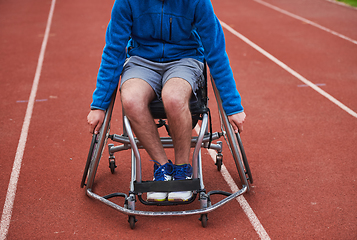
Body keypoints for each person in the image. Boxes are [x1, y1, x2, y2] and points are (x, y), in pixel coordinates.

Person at [87, 0, 246, 202]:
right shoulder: (126, 2)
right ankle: (162, 168)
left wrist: (232, 106)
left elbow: (215, 52)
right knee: (131, 99)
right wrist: (99, 105)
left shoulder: (198, 2)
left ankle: (182, 169)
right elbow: (113, 52)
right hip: (142, 60)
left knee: (173, 98)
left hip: (185, 59)